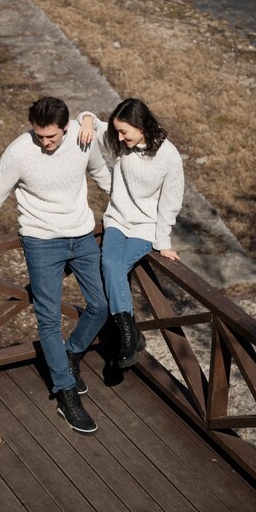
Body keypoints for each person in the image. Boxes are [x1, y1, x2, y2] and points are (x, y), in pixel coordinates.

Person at [0, 96, 112, 434]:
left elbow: (102, 173)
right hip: (41, 242)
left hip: (83, 237)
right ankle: (65, 391)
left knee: (101, 305)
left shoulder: (81, 138)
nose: (45, 143)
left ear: (66, 127)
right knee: (48, 319)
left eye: (52, 137)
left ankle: (71, 355)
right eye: (39, 135)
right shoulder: (18, 153)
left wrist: (133, 214)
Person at [78, 98, 184, 368]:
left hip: (146, 226)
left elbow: (170, 202)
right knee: (110, 264)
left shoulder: (168, 156)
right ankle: (130, 334)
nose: (120, 137)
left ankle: (128, 337)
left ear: (141, 126)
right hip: (117, 219)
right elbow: (93, 122)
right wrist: (88, 118)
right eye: (118, 131)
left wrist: (163, 242)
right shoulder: (120, 141)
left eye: (125, 131)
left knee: (113, 268)